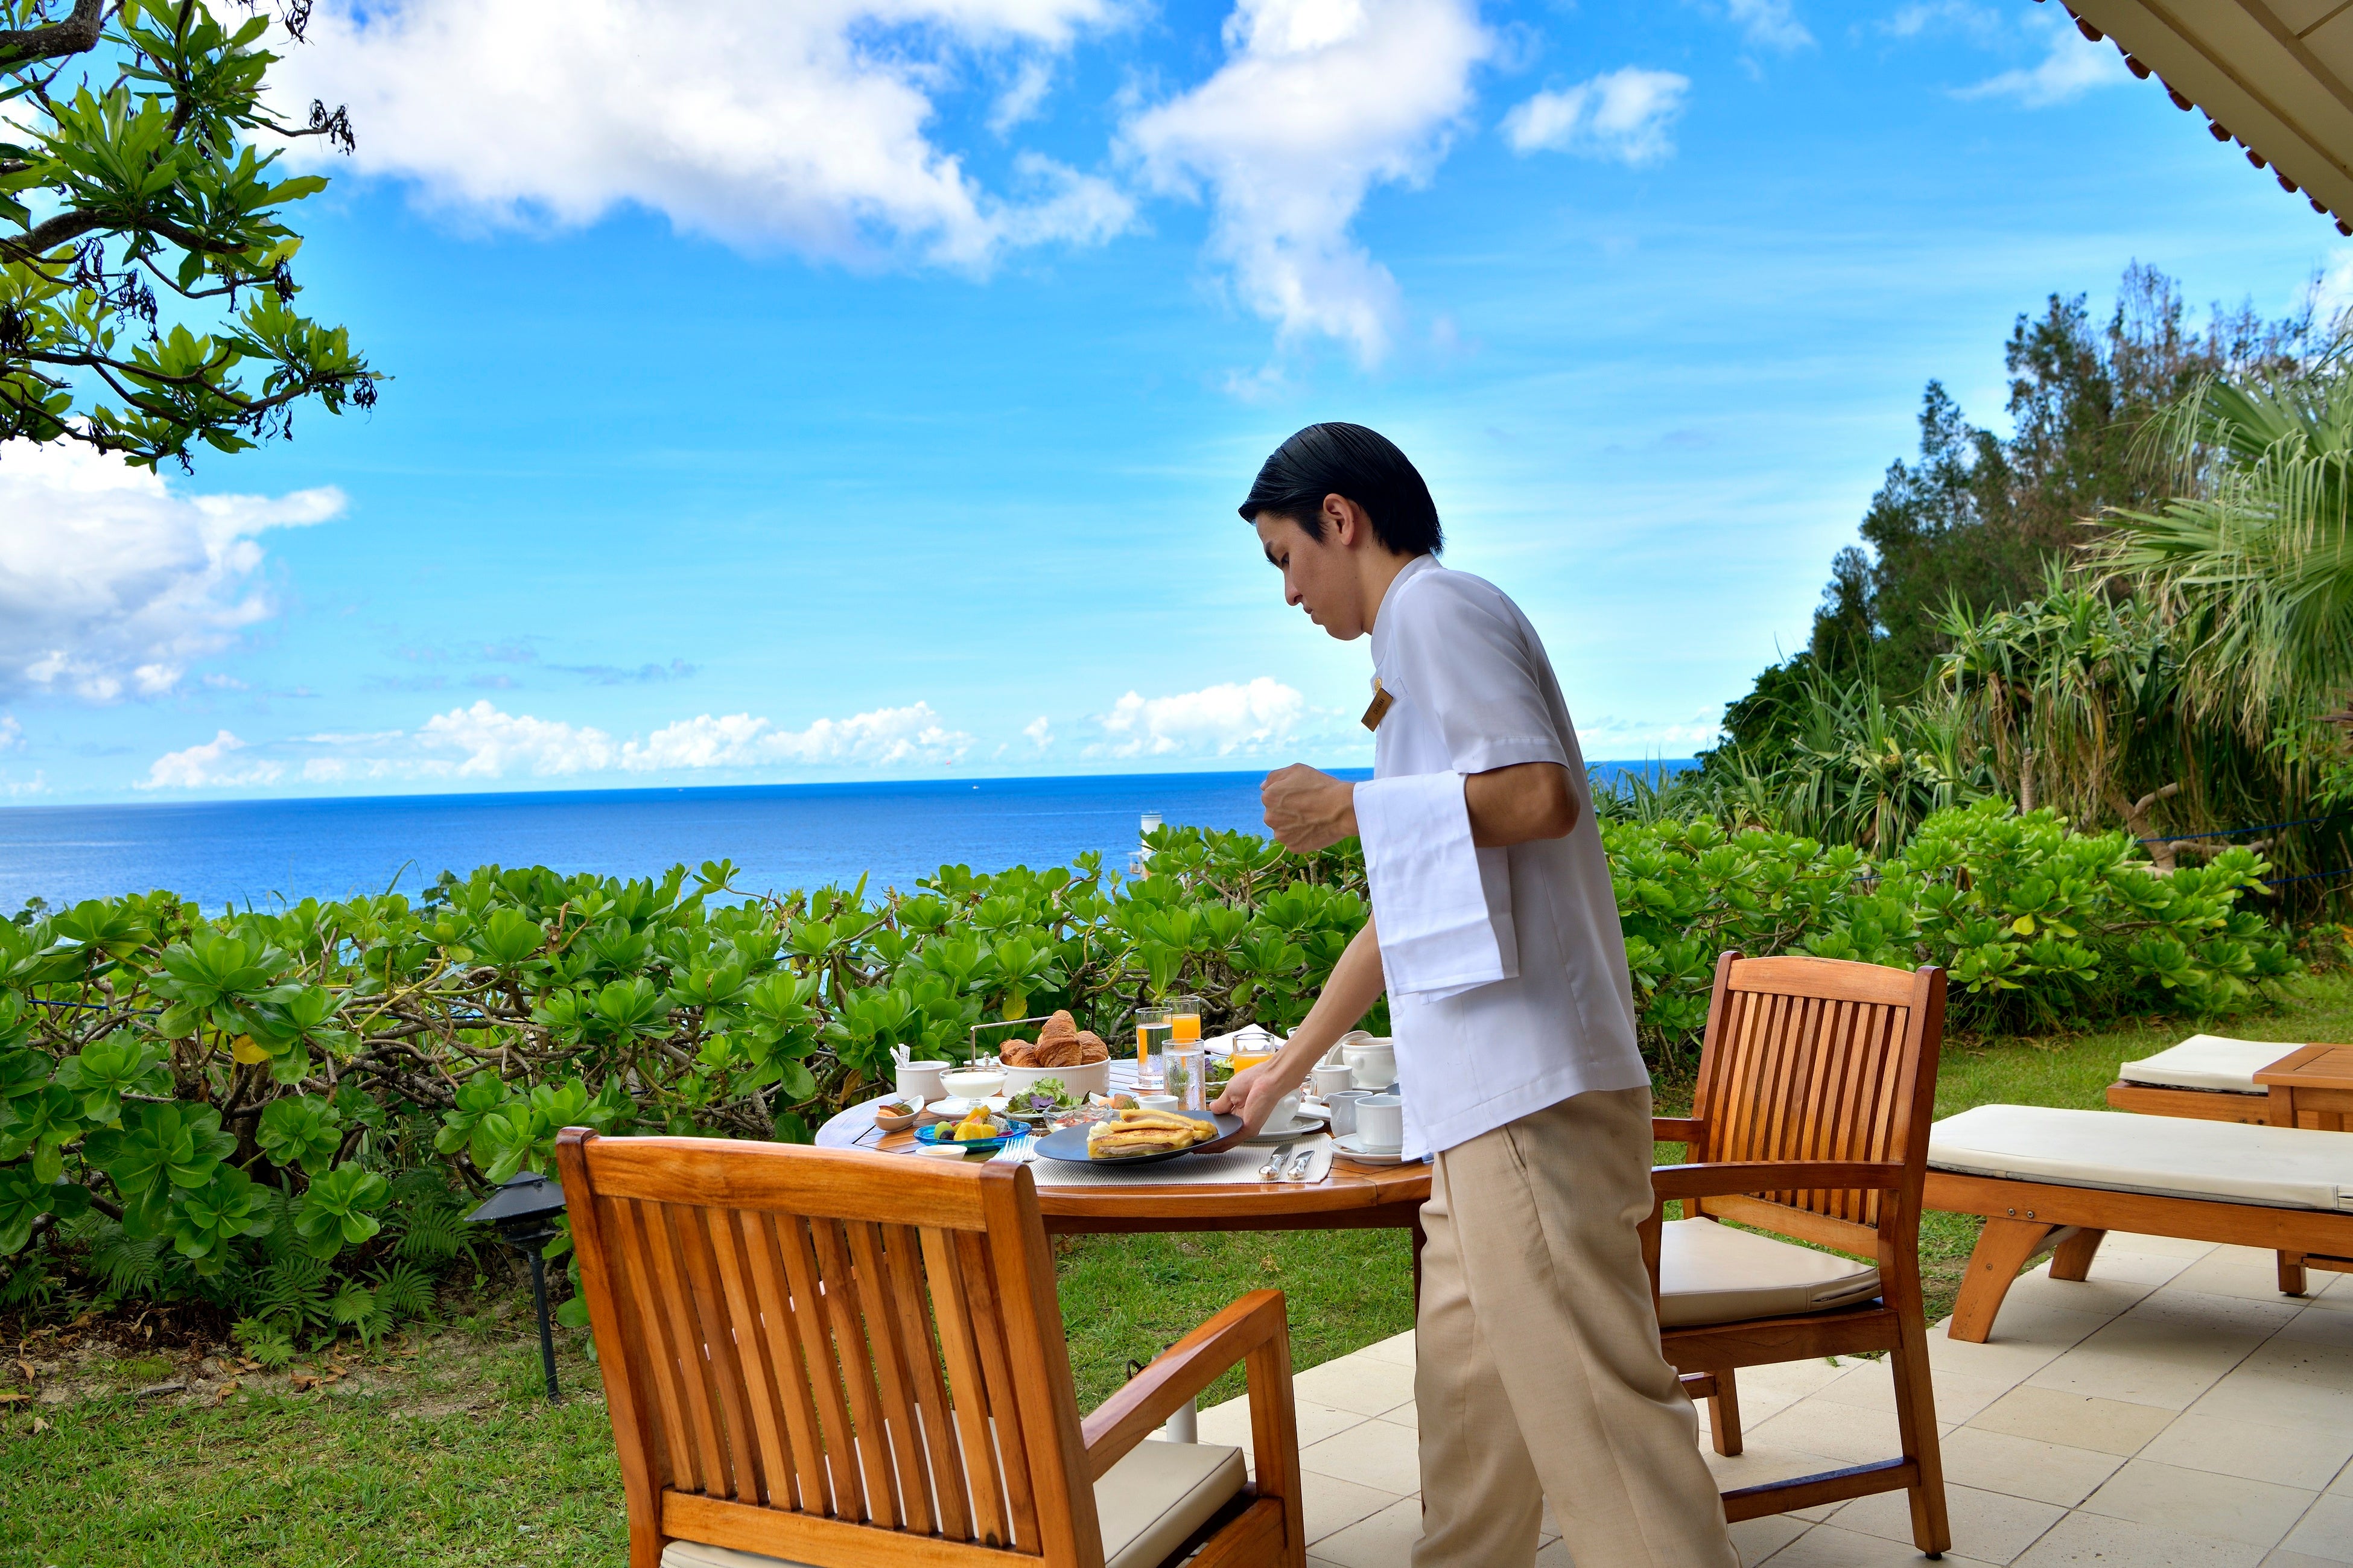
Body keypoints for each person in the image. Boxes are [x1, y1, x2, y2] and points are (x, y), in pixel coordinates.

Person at [1211, 424, 1739, 1568]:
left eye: (1284, 559)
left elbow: (1538, 796)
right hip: (1480, 1112)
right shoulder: (1410, 651)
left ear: (1339, 519)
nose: (1289, 592)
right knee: (1472, 1419)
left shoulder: (1438, 613)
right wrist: (1285, 1071)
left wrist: (1352, 808)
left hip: (1523, 1100)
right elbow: (1411, 908)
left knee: (1601, 1423)